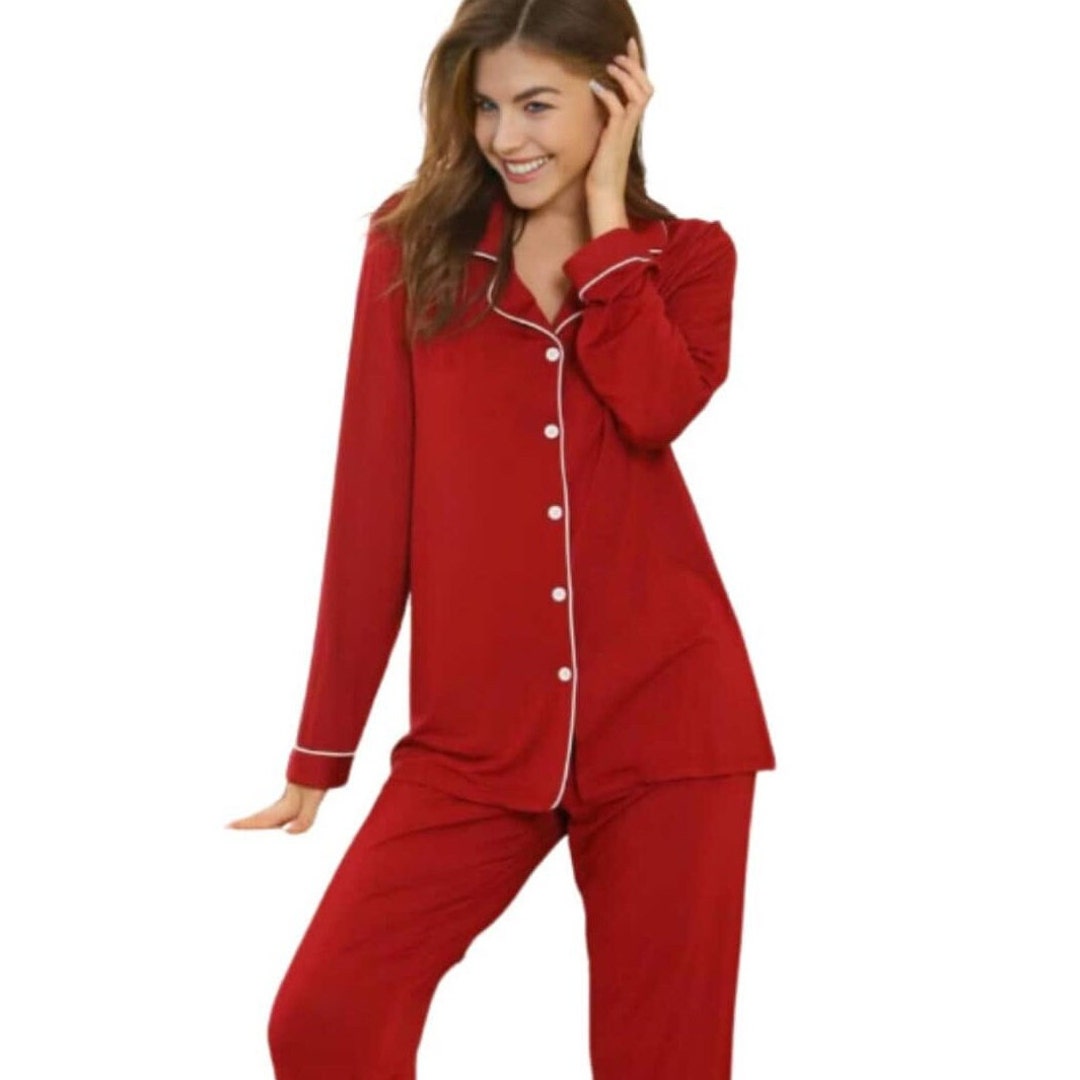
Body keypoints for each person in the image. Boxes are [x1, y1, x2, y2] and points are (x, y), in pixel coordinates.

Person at [228, 1, 777, 1076]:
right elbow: (371, 504)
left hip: (671, 726)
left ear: (617, 96)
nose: (504, 136)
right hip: (473, 740)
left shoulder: (687, 259)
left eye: (537, 105)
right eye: (485, 107)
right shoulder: (414, 248)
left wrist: (607, 220)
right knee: (326, 1016)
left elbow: (657, 407)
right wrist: (323, 746)